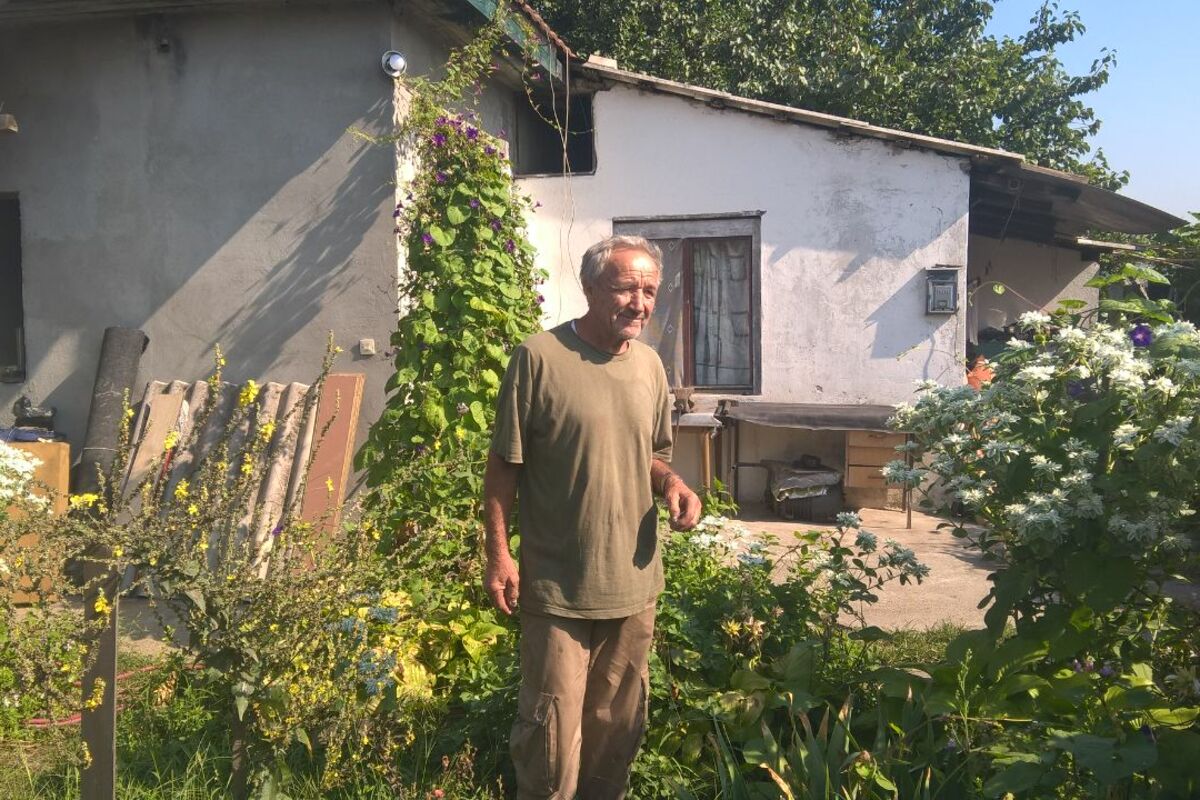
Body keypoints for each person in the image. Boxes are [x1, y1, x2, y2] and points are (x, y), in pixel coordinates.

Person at [483, 235, 702, 799]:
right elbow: (504, 465)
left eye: (649, 291)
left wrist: (674, 483)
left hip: (633, 584)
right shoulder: (539, 358)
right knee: (550, 742)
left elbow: (649, 456)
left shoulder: (650, 366)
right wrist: (499, 555)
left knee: (616, 736)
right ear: (589, 288)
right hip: (558, 587)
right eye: (626, 288)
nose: (640, 304)